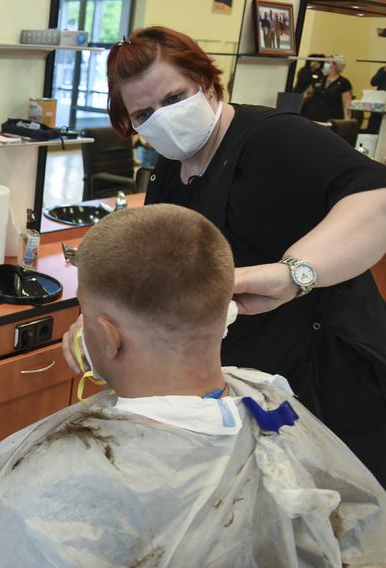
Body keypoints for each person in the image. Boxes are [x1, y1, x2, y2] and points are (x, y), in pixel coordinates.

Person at [0, 205, 386, 566]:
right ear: (226, 312)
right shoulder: (271, 405)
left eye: (83, 311)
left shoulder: (53, 491)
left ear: (105, 337)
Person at [61, 26, 386, 486]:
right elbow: (159, 273)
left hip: (330, 376)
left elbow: (377, 198)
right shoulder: (170, 172)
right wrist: (98, 316)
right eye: (144, 114)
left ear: (206, 82)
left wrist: (292, 274)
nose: (164, 119)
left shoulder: (278, 139)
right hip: (249, 385)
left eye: (174, 98)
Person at [303, 54, 353, 122]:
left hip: (332, 118)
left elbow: (347, 105)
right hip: (314, 117)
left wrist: (347, 122)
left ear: (336, 65)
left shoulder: (344, 83)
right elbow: (307, 94)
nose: (325, 65)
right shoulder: (319, 78)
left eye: (328, 63)